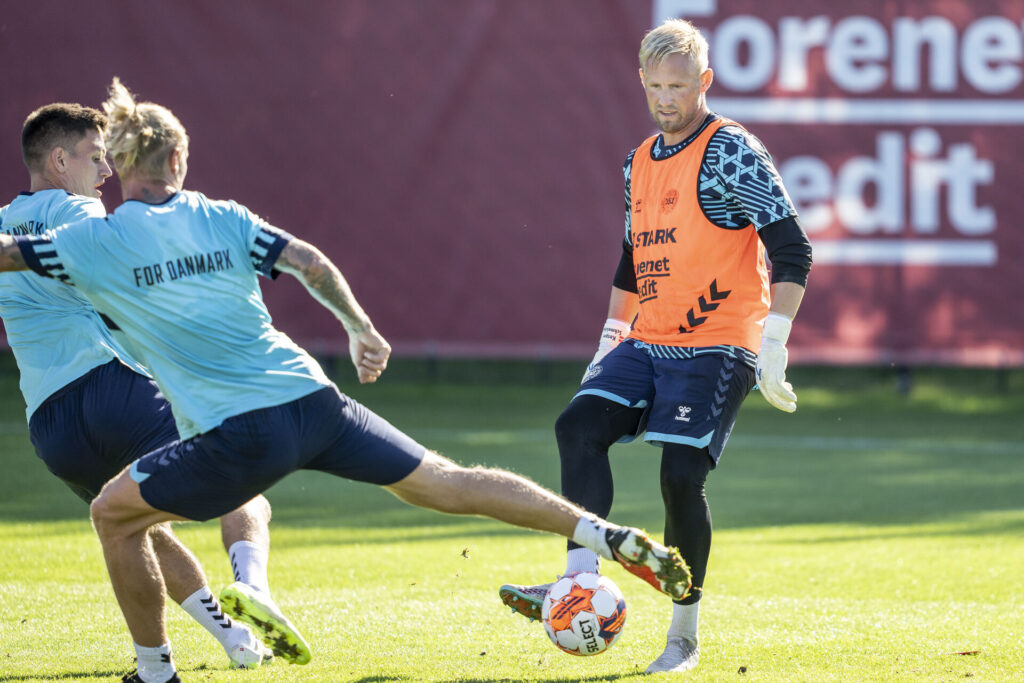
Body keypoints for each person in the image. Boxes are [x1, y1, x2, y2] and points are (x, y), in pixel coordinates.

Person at [0, 78, 693, 683]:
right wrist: (361, 327)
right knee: (448, 481)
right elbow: (308, 260)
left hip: (238, 433)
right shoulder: (224, 216)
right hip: (313, 398)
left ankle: (156, 670)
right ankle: (601, 533)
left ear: (118, 165)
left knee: (114, 515)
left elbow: (8, 254)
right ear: (180, 159)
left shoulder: (92, 240)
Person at [498, 19, 813, 674]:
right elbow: (629, 260)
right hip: (650, 336)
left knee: (679, 477)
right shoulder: (636, 161)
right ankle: (576, 581)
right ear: (641, 81)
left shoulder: (731, 151)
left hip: (719, 341)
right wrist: (610, 339)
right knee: (577, 426)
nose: (667, 99)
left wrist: (774, 343)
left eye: (680, 86)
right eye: (656, 86)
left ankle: (683, 636)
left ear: (705, 82)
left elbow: (793, 249)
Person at [0, 103, 306, 671]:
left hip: (50, 424)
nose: (106, 171)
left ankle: (197, 651)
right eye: (96, 157)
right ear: (59, 159)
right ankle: (254, 586)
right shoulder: (81, 214)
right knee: (244, 485)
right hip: (114, 389)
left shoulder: (1, 223)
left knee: (134, 523)